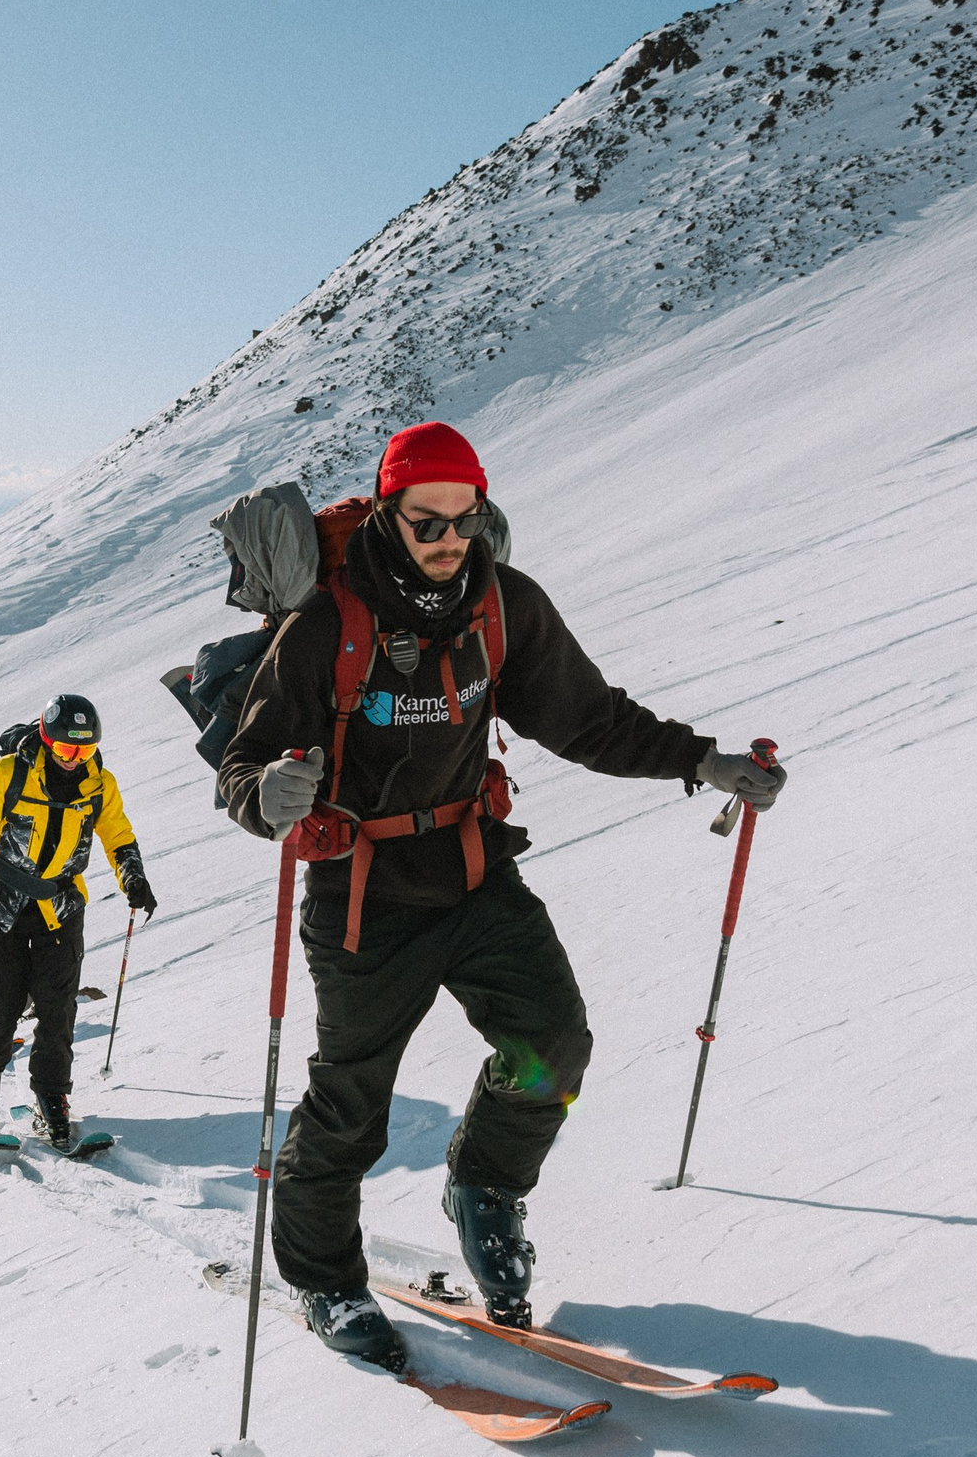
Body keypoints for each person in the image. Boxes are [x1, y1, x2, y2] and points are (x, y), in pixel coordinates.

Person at [217, 421, 787, 1368]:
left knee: (551, 1041)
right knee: (352, 1099)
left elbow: (588, 719)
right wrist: (266, 792)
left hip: (476, 871)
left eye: (463, 519)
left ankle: (483, 1184)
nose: (448, 541)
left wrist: (703, 761)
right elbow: (245, 762)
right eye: (425, 521)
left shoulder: (502, 602)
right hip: (364, 898)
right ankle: (322, 1274)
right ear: (390, 512)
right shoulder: (328, 620)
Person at [0, 695, 155, 1151]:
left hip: (61, 908)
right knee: (1, 1004)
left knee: (58, 1009)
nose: (74, 759)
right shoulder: (9, 774)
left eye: (84, 750)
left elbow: (118, 835)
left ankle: (51, 1096)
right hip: (1, 906)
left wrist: (133, 878)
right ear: (46, 739)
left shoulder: (100, 785)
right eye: (65, 749)